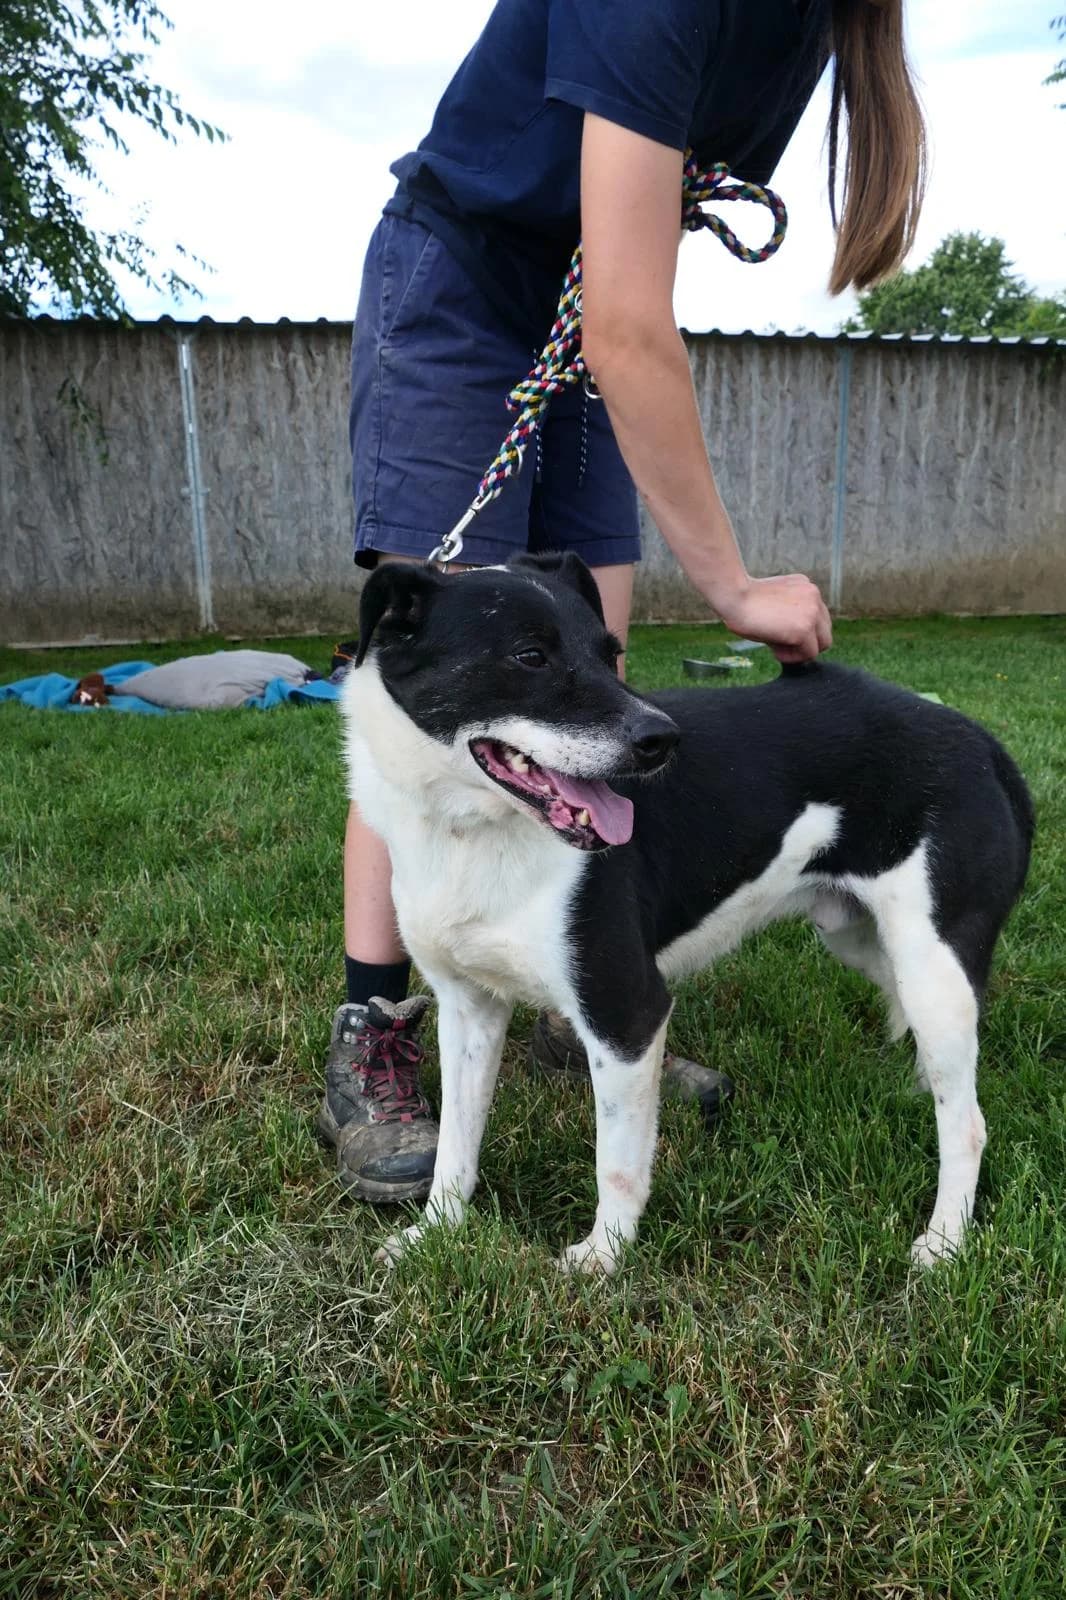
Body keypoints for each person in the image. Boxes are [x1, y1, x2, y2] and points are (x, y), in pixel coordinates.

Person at [318, 0, 927, 1201]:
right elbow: (629, 324)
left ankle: (568, 983)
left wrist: (605, 336)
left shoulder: (807, 29)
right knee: (441, 699)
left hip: (570, 306)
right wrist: (733, 583)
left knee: (580, 680)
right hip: (463, 282)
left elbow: (629, 272)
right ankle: (375, 1025)